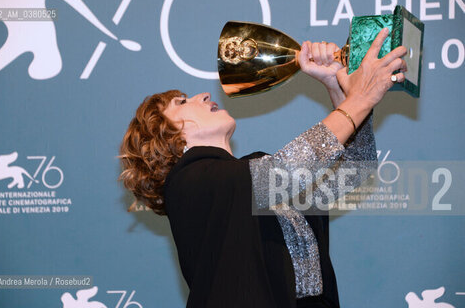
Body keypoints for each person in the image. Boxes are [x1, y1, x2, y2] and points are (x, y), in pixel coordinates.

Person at [119, 28, 407, 308]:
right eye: (181, 102)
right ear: (169, 138)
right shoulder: (187, 183)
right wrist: (360, 98)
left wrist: (337, 88)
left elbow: (355, 169)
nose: (204, 95)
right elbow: (281, 173)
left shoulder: (253, 176)